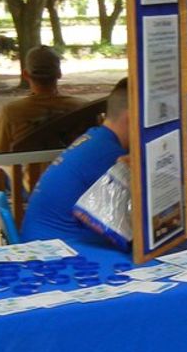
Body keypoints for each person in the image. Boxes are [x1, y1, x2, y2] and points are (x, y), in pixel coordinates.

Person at [20, 78, 130, 243]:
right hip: (57, 248)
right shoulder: (109, 154)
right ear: (132, 118)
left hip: (40, 239)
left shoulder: (95, 138)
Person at [0, 46, 88, 154]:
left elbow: (0, 153)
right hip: (73, 165)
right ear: (59, 73)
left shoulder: (11, 111)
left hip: (29, 166)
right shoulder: (83, 107)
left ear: (25, 74)